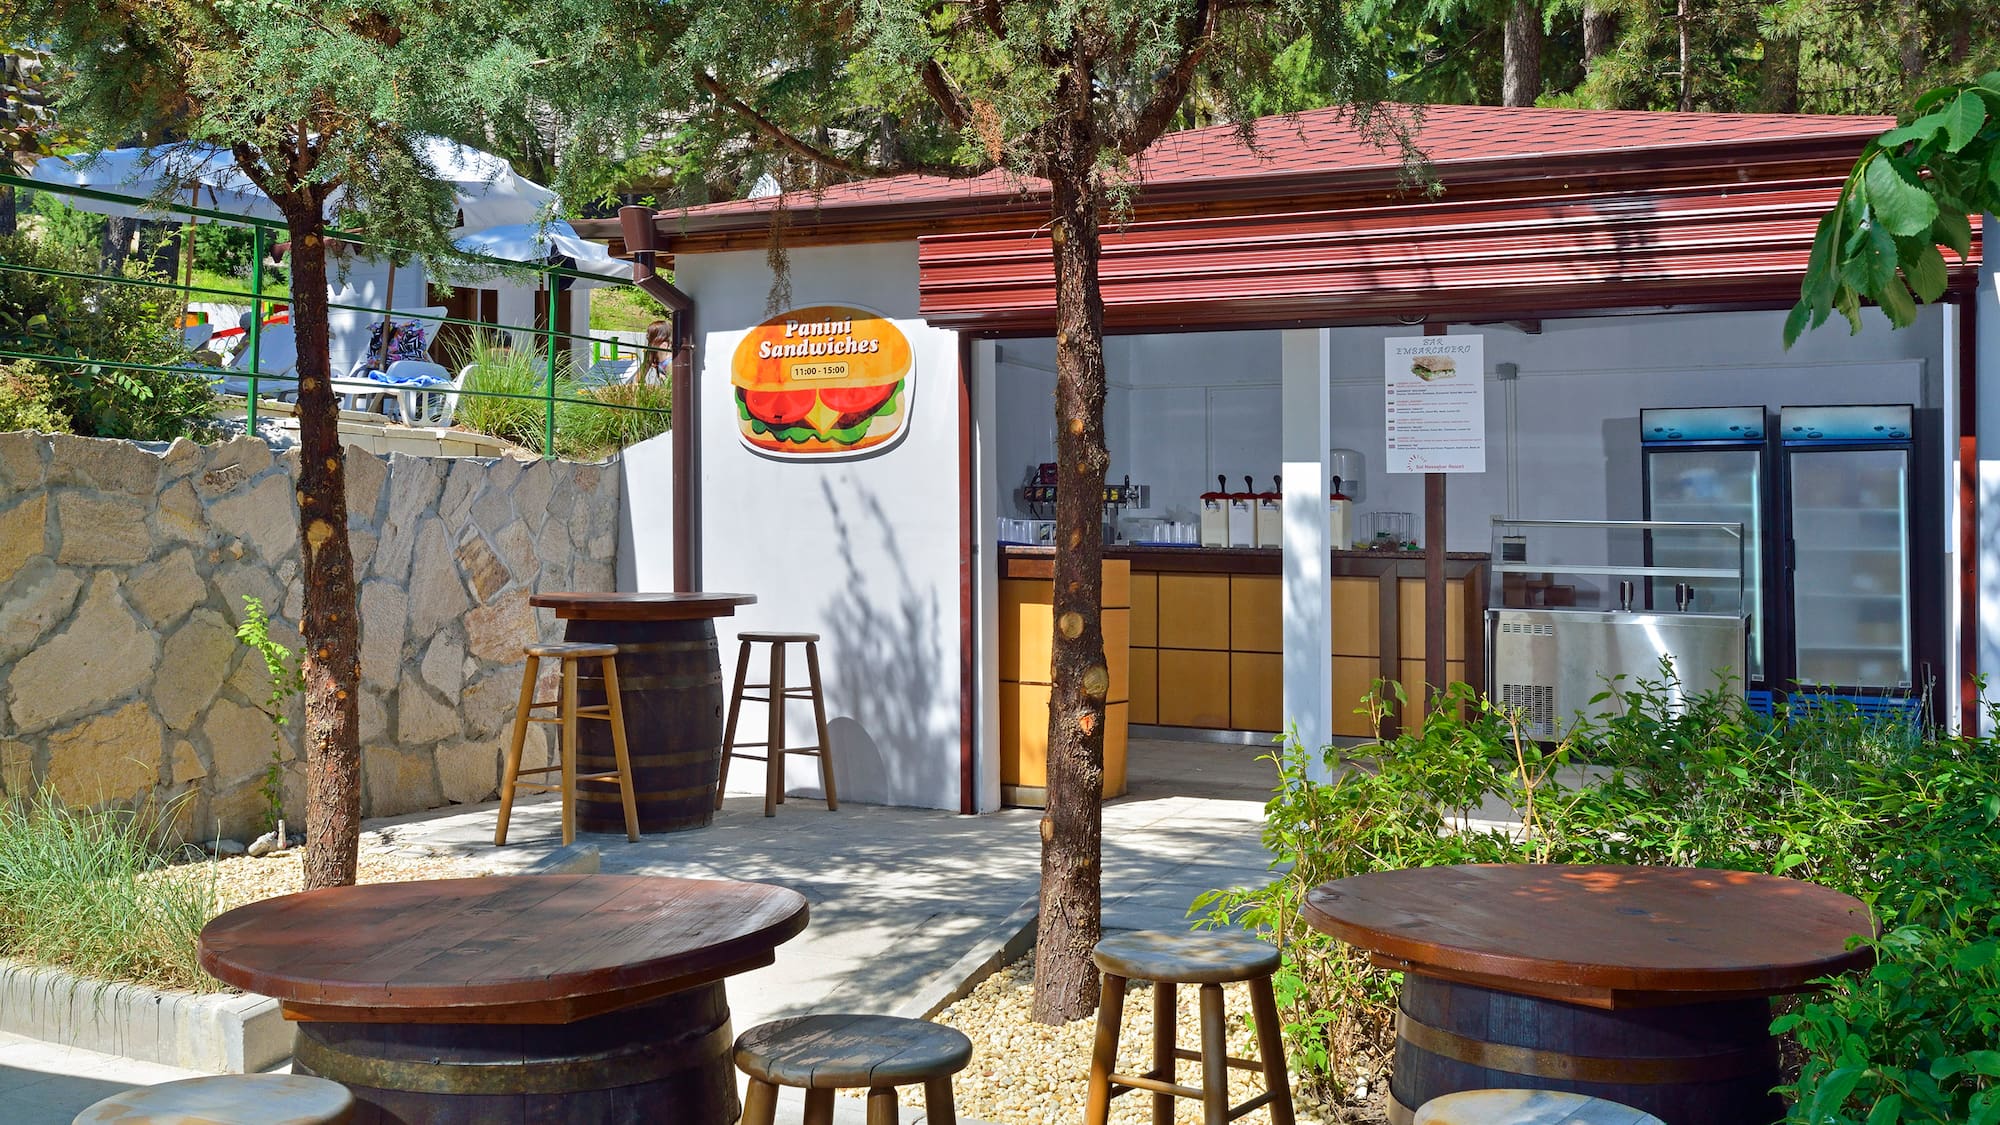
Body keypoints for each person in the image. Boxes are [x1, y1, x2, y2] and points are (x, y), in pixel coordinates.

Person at [637, 319, 672, 384]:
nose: (647, 336)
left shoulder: (669, 361)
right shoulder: (652, 352)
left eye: (649, 333)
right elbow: (639, 377)